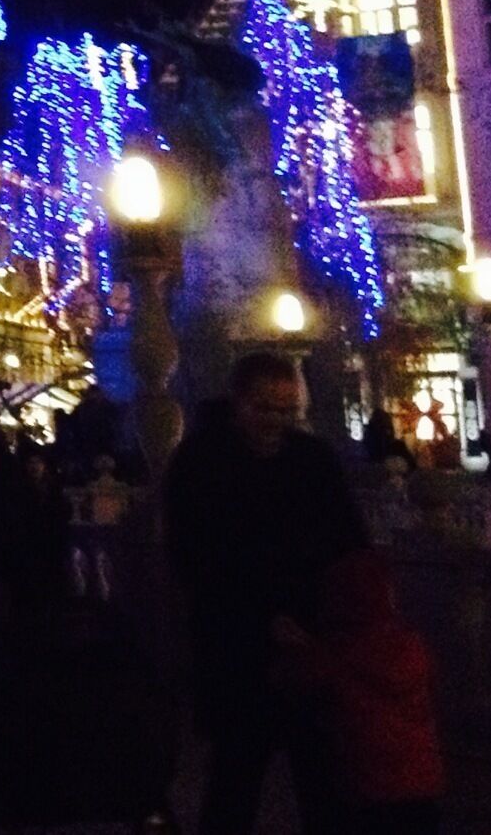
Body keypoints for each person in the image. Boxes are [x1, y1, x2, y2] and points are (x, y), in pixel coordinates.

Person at [164, 350, 369, 835]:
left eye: (285, 410)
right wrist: (260, 617)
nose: (275, 421)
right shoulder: (200, 462)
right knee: (237, 776)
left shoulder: (312, 460)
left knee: (322, 779)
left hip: (310, 643)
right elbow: (195, 558)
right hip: (236, 647)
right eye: (264, 409)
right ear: (238, 403)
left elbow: (348, 544)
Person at [276, 550, 445, 835]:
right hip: (423, 784)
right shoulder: (411, 646)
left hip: (369, 788)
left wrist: (293, 641)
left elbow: (290, 678)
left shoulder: (337, 655)